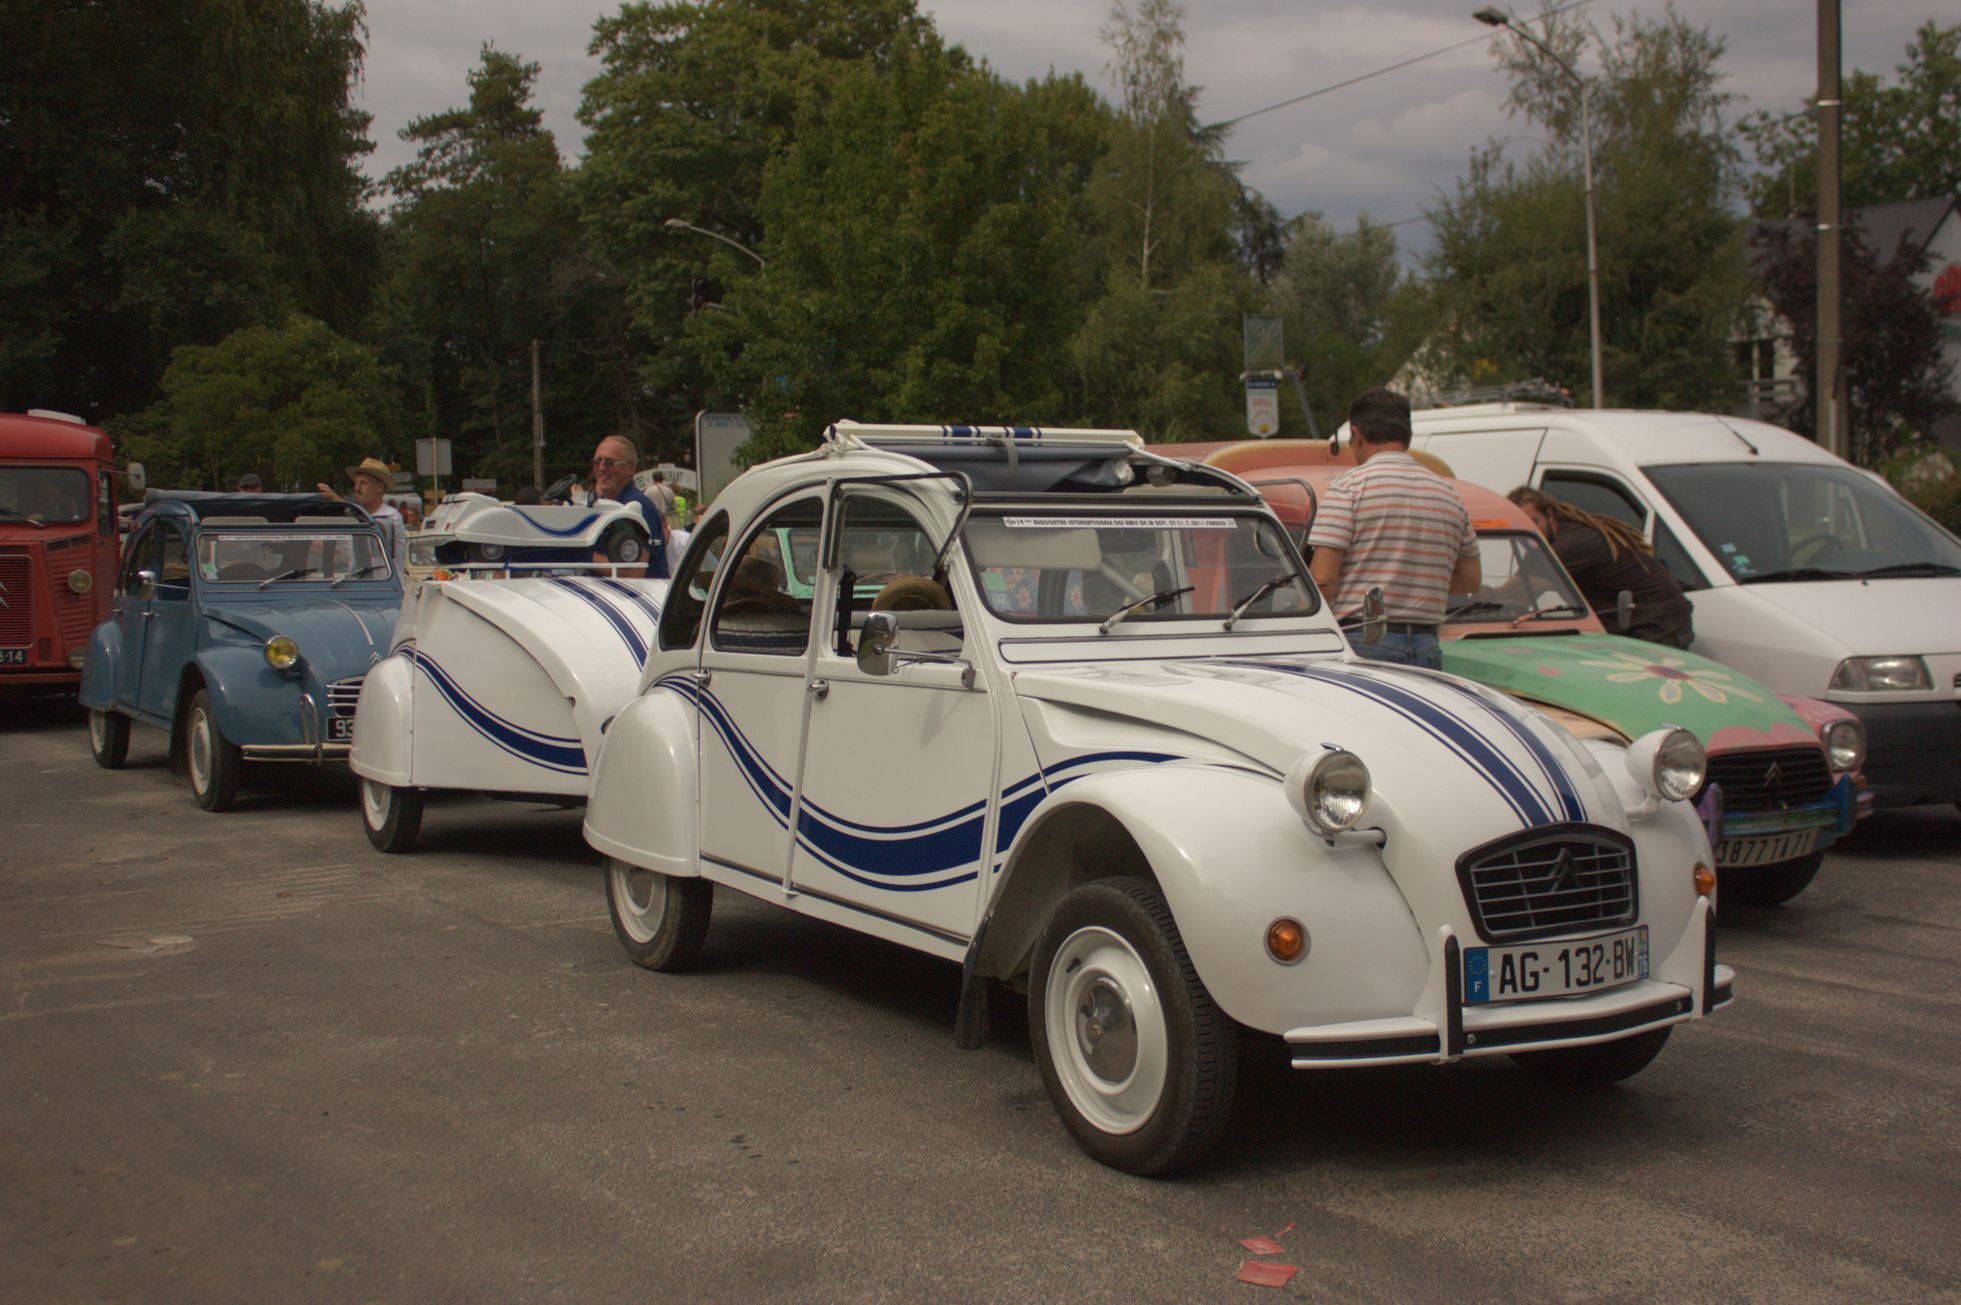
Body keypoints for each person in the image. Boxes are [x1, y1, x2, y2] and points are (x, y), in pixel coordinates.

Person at [1307, 387, 1480, 669]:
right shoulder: (1448, 493)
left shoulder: (1349, 488)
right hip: (1427, 645)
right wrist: (1416, 585)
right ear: (1407, 435)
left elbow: (1323, 579)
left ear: (1356, 434)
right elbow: (1471, 579)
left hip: (1362, 639)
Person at [1507, 486, 1695, 648]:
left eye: (1534, 521)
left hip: (1659, 623)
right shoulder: (1539, 541)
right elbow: (1515, 587)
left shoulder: (1573, 544)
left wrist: (1482, 596)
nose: (1530, 529)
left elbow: (1522, 592)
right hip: (1631, 624)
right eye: (1521, 524)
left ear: (1549, 514)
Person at [588, 435, 668, 579]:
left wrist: (582, 556)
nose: (601, 468)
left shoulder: (639, 508)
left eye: (609, 462)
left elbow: (634, 572)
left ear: (630, 468)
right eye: (597, 462)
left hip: (637, 598)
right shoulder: (601, 505)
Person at [317, 457, 406, 575]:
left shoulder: (391, 516)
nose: (357, 488)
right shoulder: (355, 518)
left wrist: (342, 504)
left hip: (386, 590)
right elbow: (336, 548)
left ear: (380, 487)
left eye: (363, 483)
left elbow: (373, 530)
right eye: (356, 483)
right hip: (359, 588)